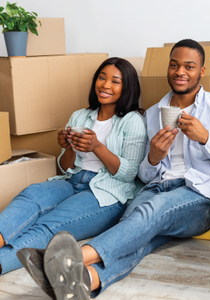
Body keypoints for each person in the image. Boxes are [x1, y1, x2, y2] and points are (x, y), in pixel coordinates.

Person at [18, 39, 210, 300]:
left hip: (201, 198)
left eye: (189, 66)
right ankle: (87, 281)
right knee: (138, 233)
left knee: (151, 212)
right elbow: (143, 176)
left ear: (203, 71)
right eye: (174, 65)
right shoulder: (151, 115)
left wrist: (206, 137)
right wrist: (153, 157)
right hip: (157, 189)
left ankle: (68, 259)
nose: (180, 72)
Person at [0, 57, 146, 283]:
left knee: (51, 223)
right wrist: (66, 147)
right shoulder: (80, 116)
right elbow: (66, 166)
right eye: (101, 77)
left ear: (127, 87)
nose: (105, 85)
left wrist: (97, 146)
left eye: (115, 81)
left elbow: (128, 174)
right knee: (31, 196)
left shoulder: (132, 120)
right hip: (72, 180)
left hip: (106, 192)